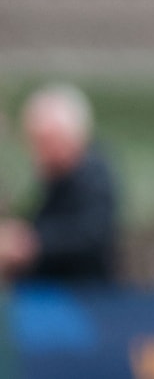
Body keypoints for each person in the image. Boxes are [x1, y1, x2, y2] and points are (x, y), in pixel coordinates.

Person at [0, 83, 119, 285]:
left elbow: (92, 235)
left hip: (85, 298)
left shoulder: (94, 176)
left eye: (44, 141)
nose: (37, 151)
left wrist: (32, 243)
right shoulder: (52, 180)